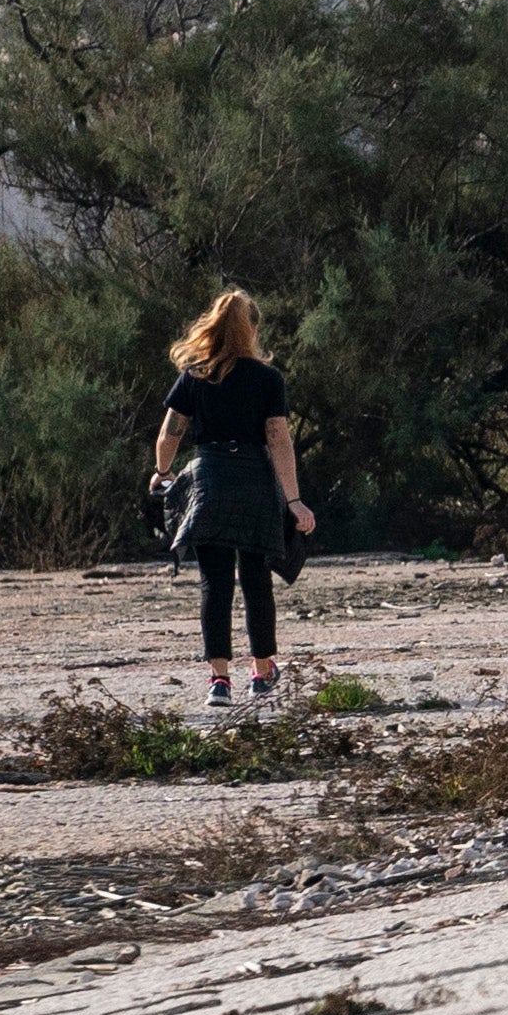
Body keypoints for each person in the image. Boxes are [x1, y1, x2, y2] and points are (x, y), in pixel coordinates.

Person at [149, 287, 315, 705]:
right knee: (257, 579)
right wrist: (293, 501)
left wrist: (164, 472)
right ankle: (261, 674)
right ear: (252, 330)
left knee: (215, 583)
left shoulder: (195, 373)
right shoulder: (267, 379)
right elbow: (278, 439)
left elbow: (171, 432)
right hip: (255, 482)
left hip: (210, 482)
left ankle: (219, 681)